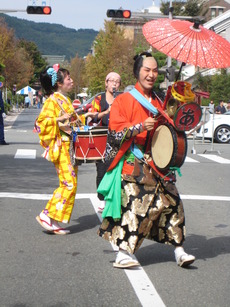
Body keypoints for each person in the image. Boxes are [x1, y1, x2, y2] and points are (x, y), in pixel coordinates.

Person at [97, 52, 195, 269]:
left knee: (173, 203)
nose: (151, 75)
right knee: (133, 204)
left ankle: (179, 250)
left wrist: (178, 106)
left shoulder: (162, 100)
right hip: (134, 160)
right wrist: (139, 127)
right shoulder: (123, 100)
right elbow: (114, 134)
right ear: (137, 72)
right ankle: (123, 253)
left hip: (159, 163)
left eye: (154, 71)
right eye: (146, 70)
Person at [35, 64, 80, 234]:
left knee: (70, 183)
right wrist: (59, 119)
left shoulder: (64, 99)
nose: (72, 80)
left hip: (70, 147)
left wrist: (88, 116)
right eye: (68, 78)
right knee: (69, 184)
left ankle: (53, 219)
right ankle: (47, 214)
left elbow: (72, 120)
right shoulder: (52, 100)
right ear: (59, 83)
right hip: (62, 147)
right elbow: (41, 123)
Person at [89, 72, 121, 212]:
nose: (114, 83)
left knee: (115, 168)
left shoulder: (121, 98)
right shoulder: (98, 98)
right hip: (101, 136)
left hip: (117, 137)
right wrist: (107, 111)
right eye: (111, 80)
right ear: (106, 83)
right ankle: (101, 198)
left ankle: (113, 197)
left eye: (117, 81)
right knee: (101, 168)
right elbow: (92, 117)